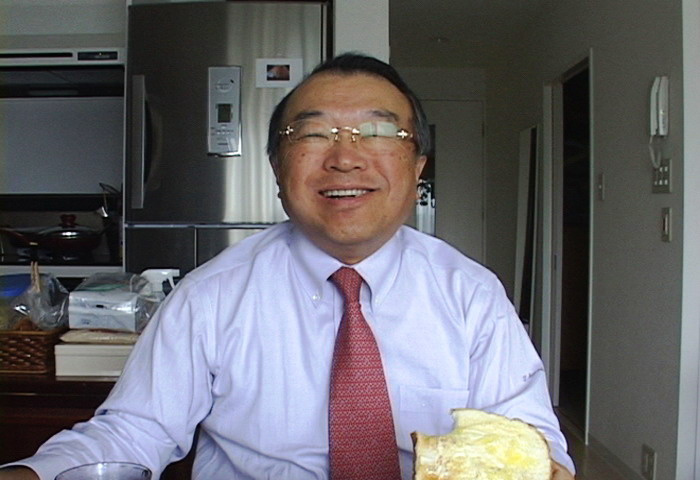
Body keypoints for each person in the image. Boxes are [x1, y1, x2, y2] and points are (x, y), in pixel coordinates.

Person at [0, 53, 576, 480]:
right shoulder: (210, 295)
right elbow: (135, 430)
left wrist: (540, 466)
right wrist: (33, 473)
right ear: (278, 168)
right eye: (314, 133)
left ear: (417, 166)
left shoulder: (471, 293)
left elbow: (526, 436)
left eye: (378, 131)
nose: (345, 157)